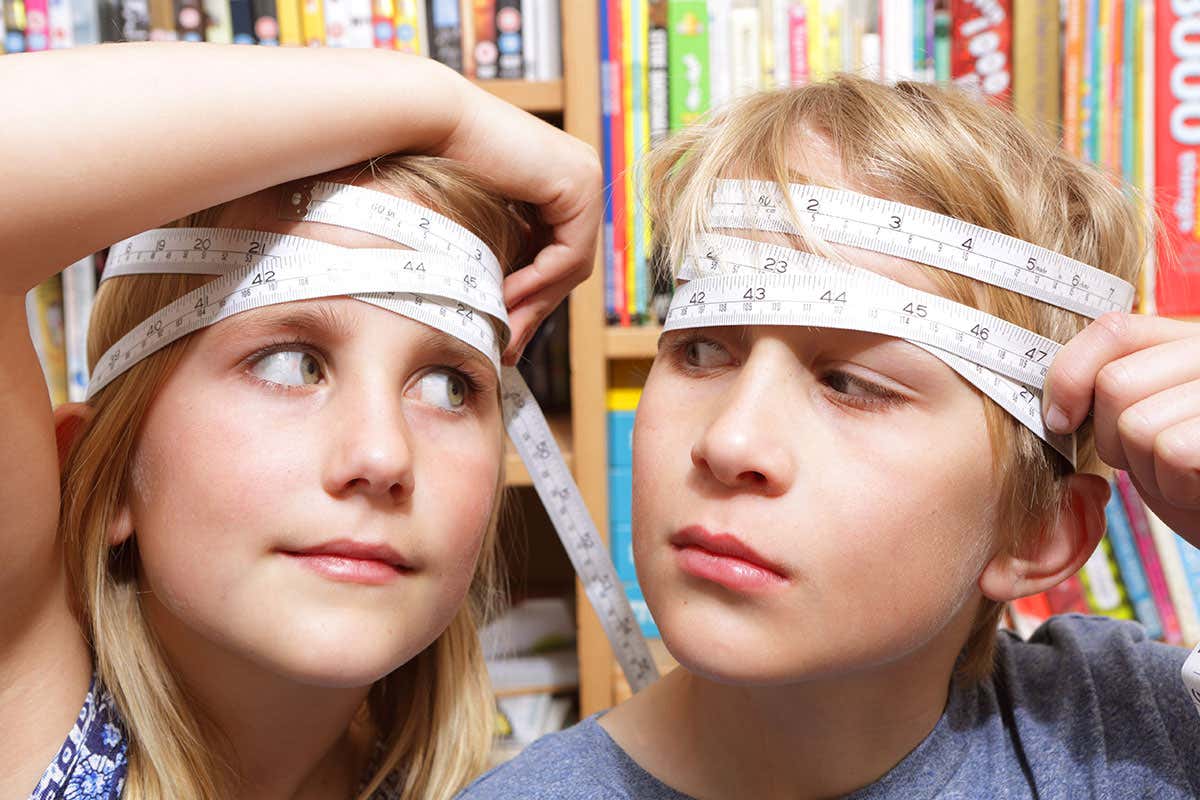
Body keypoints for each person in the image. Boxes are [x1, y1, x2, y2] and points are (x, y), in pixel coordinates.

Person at [459, 75, 1200, 799]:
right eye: (703, 349)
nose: (731, 442)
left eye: (852, 385)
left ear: (1035, 529)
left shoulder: (1132, 738)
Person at [1, 42, 601, 800]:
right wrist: (442, 105)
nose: (383, 456)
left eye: (449, 387)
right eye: (291, 365)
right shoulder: (19, 706)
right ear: (103, 470)